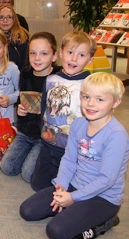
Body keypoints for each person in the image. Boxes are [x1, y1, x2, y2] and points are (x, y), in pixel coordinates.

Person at [20, 72, 129, 239]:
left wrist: (73, 198)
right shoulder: (79, 124)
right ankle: (74, 210)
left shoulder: (116, 135)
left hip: (103, 197)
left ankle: (106, 222)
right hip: (74, 185)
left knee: (56, 231)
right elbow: (69, 159)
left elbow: (106, 179)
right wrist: (61, 186)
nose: (91, 104)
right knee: (27, 210)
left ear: (116, 102)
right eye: (86, 97)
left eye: (100, 99)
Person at [31, 31, 97, 192]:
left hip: (73, 150)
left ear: (90, 60)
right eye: (69, 52)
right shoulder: (51, 79)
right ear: (61, 53)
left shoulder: (90, 84)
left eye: (81, 55)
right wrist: (43, 133)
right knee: (38, 185)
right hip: (48, 143)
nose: (73, 59)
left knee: (70, 189)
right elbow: (44, 109)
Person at [0, 32, 61, 183]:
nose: (37, 58)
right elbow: (22, 100)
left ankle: (56, 163)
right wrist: (20, 110)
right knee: (7, 167)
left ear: (54, 56)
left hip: (45, 136)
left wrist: (46, 112)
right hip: (26, 132)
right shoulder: (26, 75)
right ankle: (33, 154)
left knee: (28, 175)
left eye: (44, 53)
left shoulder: (58, 79)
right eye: (33, 53)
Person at [0, 6, 30, 71]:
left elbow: (25, 67)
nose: (5, 21)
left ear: (14, 20)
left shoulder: (22, 39)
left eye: (9, 17)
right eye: (1, 17)